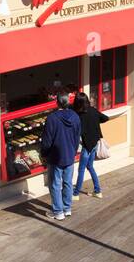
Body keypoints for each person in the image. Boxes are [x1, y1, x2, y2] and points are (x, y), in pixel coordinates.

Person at [39, 92, 82, 221]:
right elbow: (77, 136)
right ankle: (67, 208)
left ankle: (58, 211)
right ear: (68, 102)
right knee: (68, 183)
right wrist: (73, 151)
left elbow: (47, 140)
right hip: (69, 155)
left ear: (57, 102)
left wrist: (44, 154)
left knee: (55, 184)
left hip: (55, 157)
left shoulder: (52, 118)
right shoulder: (75, 116)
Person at [72, 91, 107, 200]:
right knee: (90, 167)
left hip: (86, 146)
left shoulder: (79, 115)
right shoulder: (93, 111)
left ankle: (76, 193)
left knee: (81, 170)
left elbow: (79, 131)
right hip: (95, 144)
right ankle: (97, 191)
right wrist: (95, 122)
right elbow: (105, 118)